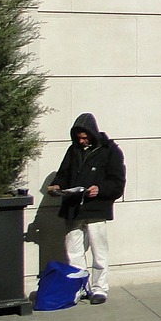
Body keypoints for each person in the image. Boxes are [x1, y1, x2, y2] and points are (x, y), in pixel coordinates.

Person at [47, 113, 126, 305]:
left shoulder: (110, 151)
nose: (81, 141)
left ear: (92, 134)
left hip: (96, 209)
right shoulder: (73, 150)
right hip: (73, 208)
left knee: (99, 252)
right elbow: (64, 174)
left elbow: (117, 182)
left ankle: (100, 289)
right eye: (78, 138)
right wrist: (57, 186)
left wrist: (99, 189)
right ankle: (80, 287)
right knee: (74, 252)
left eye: (84, 137)